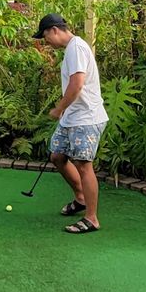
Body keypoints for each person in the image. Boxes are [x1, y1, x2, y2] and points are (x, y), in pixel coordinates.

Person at [35, 13, 108, 234]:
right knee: (57, 156)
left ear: (54, 30)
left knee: (84, 165)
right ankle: (81, 198)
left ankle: (92, 218)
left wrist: (59, 108)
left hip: (86, 118)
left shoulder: (76, 48)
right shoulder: (71, 50)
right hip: (72, 118)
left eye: (45, 36)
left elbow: (77, 84)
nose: (46, 42)